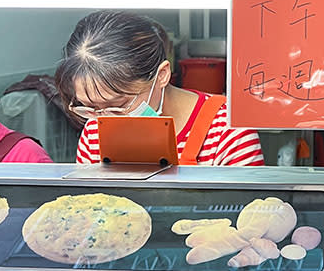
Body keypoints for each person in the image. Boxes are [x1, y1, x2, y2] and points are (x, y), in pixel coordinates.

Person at [55, 10, 264, 166]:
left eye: (118, 105)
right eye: (91, 107)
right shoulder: (95, 130)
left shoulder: (226, 128)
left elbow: (250, 216)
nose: (105, 118)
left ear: (161, 75)